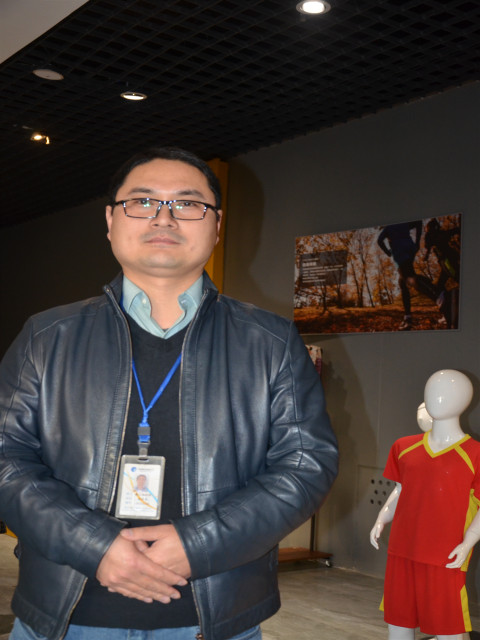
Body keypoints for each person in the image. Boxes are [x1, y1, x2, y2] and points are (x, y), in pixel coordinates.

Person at [0, 147, 338, 640]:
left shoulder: (270, 342)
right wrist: (94, 545)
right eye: (142, 201)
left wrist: (200, 543)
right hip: (64, 618)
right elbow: (6, 457)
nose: (164, 217)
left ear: (216, 226)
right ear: (110, 221)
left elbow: (307, 465)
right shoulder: (47, 336)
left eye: (187, 203)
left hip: (212, 619)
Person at [370, 369, 480, 640]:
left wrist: (469, 542)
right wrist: (382, 518)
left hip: (445, 557)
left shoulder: (475, 454)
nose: (437, 398)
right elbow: (400, 489)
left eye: (446, 392)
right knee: (398, 623)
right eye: (432, 391)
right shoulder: (403, 447)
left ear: (465, 400)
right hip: (401, 551)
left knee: (449, 629)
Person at [377, 221, 438, 331]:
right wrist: (417, 243)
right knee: (402, 282)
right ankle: (407, 316)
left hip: (399, 252)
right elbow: (418, 223)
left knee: (409, 278)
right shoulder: (402, 223)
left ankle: (439, 297)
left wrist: (388, 252)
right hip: (410, 249)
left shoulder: (388, 228)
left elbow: (379, 241)